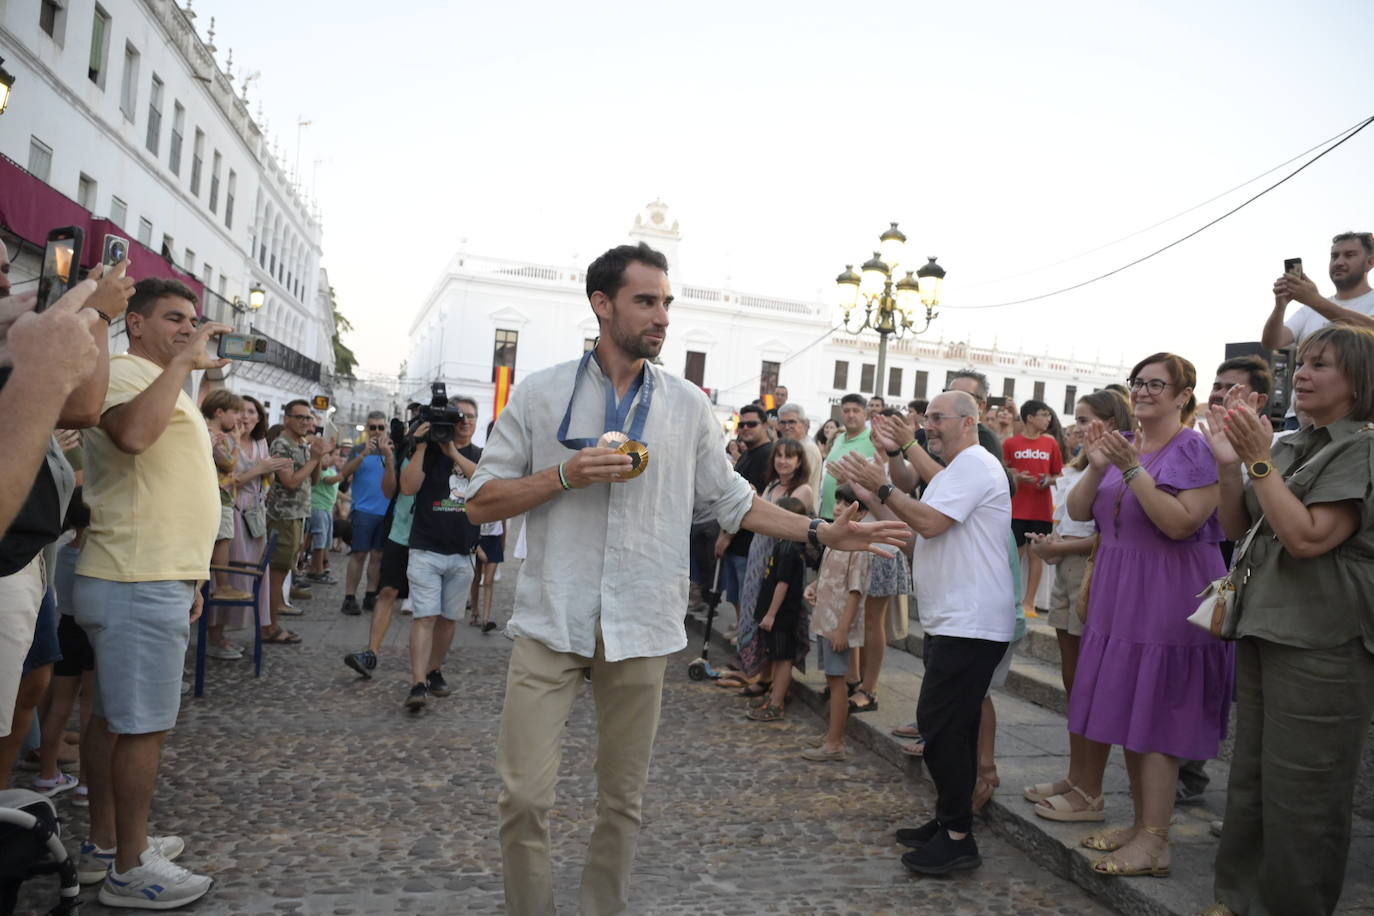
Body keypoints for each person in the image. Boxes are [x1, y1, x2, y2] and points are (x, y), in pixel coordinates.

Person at [464, 241, 907, 915]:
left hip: (642, 621)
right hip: (552, 617)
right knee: (523, 795)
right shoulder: (542, 392)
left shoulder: (687, 406)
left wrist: (821, 532)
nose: (662, 316)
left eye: (667, 302)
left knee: (623, 800)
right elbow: (480, 500)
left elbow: (736, 502)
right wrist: (563, 474)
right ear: (602, 305)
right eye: (646, 301)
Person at [1201, 323, 1374, 916]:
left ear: (1359, 381)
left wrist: (1255, 461)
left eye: (1321, 365)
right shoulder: (1295, 444)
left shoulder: (1361, 446)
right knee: (1252, 779)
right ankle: (1239, 896)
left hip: (1323, 637)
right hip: (1269, 625)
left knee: (1306, 789)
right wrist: (1231, 464)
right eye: (1300, 362)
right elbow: (1233, 528)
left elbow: (1305, 538)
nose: (1301, 374)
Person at [74, 277, 227, 907]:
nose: (188, 330)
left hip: (152, 574)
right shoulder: (123, 372)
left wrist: (193, 576)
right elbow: (133, 438)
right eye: (173, 319)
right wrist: (186, 368)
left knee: (113, 720)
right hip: (136, 576)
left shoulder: (163, 380)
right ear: (134, 323)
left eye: (193, 320)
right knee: (141, 728)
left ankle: (107, 844)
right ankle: (130, 868)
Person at [1062, 353, 1233, 878]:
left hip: (1168, 594)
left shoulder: (1194, 450)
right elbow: (1077, 511)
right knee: (1131, 713)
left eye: (1157, 384)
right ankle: (1141, 827)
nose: (1143, 391)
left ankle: (1157, 840)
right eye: (1138, 382)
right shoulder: (1127, 445)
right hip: (1120, 592)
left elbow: (1181, 523)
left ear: (1184, 395)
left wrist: (1132, 471)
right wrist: (1098, 466)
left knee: (1157, 714)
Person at [838, 390, 1014, 875]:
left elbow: (931, 524)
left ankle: (958, 838)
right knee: (947, 728)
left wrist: (887, 488)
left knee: (941, 730)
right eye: (927, 418)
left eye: (937, 419)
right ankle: (949, 821)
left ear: (969, 421)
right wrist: (870, 497)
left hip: (972, 621)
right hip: (953, 619)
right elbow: (916, 540)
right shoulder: (954, 474)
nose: (927, 426)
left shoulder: (977, 465)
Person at [1023, 389, 1131, 816]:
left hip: (1089, 570)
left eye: (1087, 421)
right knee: (1074, 684)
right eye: (1079, 420)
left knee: (1091, 684)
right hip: (1069, 569)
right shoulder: (1080, 465)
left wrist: (1062, 548)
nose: (1078, 428)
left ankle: (1091, 785)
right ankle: (1075, 775)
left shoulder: (1118, 466)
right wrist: (1052, 542)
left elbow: (1111, 533)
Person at [398, 398, 482, 709]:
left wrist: (453, 453)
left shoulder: (480, 457)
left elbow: (485, 485)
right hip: (426, 548)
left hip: (463, 552)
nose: (465, 421)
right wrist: (421, 446)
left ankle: (435, 670)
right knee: (425, 616)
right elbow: (408, 488)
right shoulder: (428, 453)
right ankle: (417, 683)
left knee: (448, 619)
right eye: (459, 416)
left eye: (471, 416)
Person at [1262, 232, 1374, 426]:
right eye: (1334, 256)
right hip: (1299, 418)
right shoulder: (1310, 308)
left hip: (1357, 419)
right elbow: (1272, 341)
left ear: (1370, 262)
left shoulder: (1317, 303)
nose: (1339, 262)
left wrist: (1315, 300)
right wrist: (1280, 305)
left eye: (1349, 255)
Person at [735, 438, 815, 693]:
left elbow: (780, 517)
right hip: (758, 555)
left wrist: (754, 497)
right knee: (755, 613)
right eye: (779, 455)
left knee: (776, 617)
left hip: (781, 557)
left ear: (799, 461)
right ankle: (763, 675)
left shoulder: (803, 490)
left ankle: (777, 685)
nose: (782, 461)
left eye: (789, 456)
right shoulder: (771, 484)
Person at [798, 485, 871, 755]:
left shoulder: (859, 546)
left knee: (838, 681)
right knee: (831, 680)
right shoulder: (834, 538)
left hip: (838, 625)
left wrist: (843, 629)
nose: (838, 506)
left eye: (847, 503)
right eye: (838, 500)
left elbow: (855, 590)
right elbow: (830, 573)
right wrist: (815, 586)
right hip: (825, 621)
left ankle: (835, 742)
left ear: (862, 513)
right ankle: (832, 735)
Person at [263, 400, 331, 644]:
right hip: (283, 516)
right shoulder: (281, 444)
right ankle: (269, 627)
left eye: (308, 418)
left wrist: (318, 457)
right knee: (276, 574)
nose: (306, 422)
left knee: (283, 572)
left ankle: (271, 623)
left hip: (298, 515)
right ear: (287, 418)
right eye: (300, 417)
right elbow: (290, 482)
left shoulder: (302, 444)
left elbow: (311, 481)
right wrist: (313, 459)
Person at [745, 496, 811, 722]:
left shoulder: (788, 548)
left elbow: (782, 584)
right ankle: (775, 695)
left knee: (783, 659)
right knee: (776, 655)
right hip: (776, 614)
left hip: (782, 616)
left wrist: (771, 614)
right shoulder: (783, 544)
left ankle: (776, 703)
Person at [715, 403, 773, 634]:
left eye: (752, 424)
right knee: (736, 595)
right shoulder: (748, 454)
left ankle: (747, 639)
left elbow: (750, 501)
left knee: (748, 596)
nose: (746, 428)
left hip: (748, 540)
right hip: (734, 539)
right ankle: (742, 633)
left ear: (766, 425)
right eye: (742, 424)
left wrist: (726, 537)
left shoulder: (767, 455)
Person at [1003, 399, 1064, 617]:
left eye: (1048, 415)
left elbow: (1060, 474)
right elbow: (1003, 472)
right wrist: (1017, 477)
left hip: (1041, 508)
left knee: (1035, 555)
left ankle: (1029, 602)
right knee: (1014, 555)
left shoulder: (1051, 444)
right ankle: (1010, 600)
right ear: (1030, 417)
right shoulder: (1011, 443)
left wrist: (1049, 480)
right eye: (1043, 414)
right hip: (1017, 508)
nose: (1048, 419)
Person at [336, 411, 394, 611]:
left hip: (386, 511)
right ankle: (349, 597)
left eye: (380, 427)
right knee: (359, 554)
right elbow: (345, 473)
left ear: (385, 428)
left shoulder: (391, 450)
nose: (376, 432)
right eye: (372, 427)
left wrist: (389, 456)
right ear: (367, 429)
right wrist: (362, 455)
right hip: (363, 510)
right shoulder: (359, 450)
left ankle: (371, 594)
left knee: (378, 555)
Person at [200, 390, 250, 603]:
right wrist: (237, 441)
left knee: (223, 539)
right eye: (235, 412)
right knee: (222, 540)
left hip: (224, 496)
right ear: (219, 412)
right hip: (220, 496)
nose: (239, 417)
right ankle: (223, 585)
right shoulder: (213, 433)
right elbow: (229, 463)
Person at [819, 393, 877, 520]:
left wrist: (850, 481)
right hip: (827, 513)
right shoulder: (839, 438)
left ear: (865, 414)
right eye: (846, 411)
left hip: (853, 518)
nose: (850, 415)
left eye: (856, 411)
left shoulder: (873, 440)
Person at [305, 446, 343, 588]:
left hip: (327, 509)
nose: (335, 458)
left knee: (325, 542)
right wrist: (347, 472)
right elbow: (330, 481)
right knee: (320, 541)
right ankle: (317, 571)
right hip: (318, 508)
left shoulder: (331, 469)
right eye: (329, 456)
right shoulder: (320, 470)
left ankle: (316, 568)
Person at [775, 403, 824, 508]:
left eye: (792, 422)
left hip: (799, 513)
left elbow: (800, 484)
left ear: (803, 423)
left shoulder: (808, 449)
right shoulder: (786, 446)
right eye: (783, 422)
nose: (787, 427)